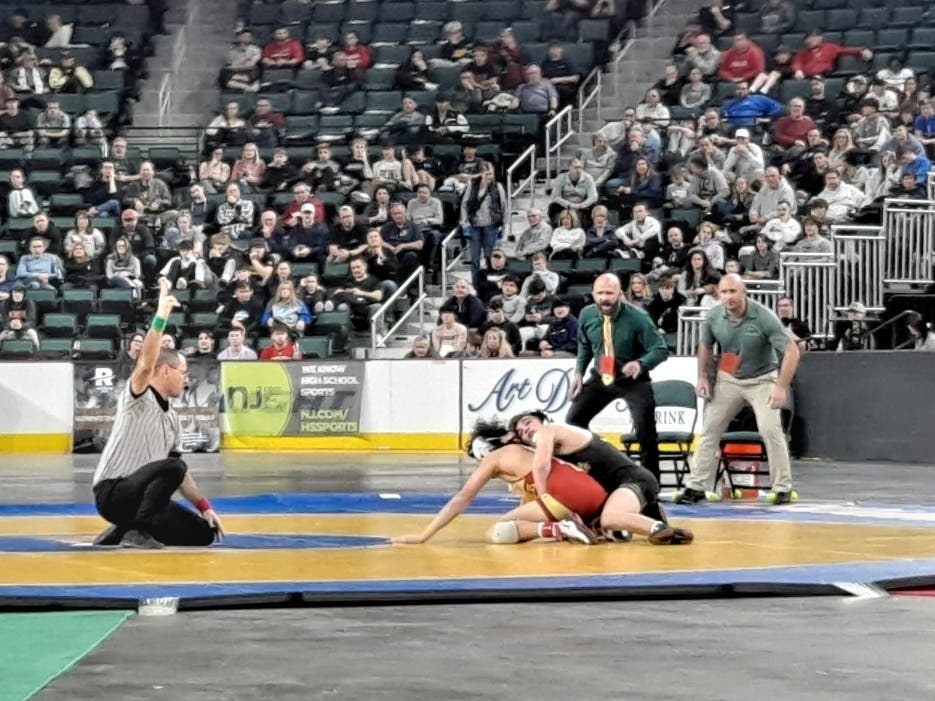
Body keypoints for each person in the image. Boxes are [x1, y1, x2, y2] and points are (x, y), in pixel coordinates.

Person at [91, 280, 223, 549]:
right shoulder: (137, 398)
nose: (186, 380)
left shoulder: (173, 419)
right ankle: (136, 530)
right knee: (174, 465)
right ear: (166, 371)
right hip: (113, 493)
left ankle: (125, 528)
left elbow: (179, 476)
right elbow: (145, 364)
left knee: (203, 534)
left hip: (143, 501)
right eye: (183, 373)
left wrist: (204, 506)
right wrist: (161, 315)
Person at [675, 274, 800, 505]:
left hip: (762, 379)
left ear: (744, 293)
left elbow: (792, 351)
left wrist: (781, 387)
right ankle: (696, 486)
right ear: (718, 294)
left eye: (733, 292)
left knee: (770, 429)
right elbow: (704, 346)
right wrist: (702, 376)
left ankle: (783, 487)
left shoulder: (764, 317)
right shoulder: (714, 316)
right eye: (724, 292)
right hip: (728, 379)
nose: (729, 297)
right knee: (710, 428)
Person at [391, 420, 610, 545]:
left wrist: (424, 535)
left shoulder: (494, 458)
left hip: (564, 499)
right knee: (525, 516)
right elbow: (530, 500)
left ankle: (558, 529)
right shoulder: (527, 450)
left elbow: (463, 498)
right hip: (595, 494)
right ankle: (599, 527)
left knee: (497, 531)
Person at [509, 411, 694, 545]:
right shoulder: (555, 447)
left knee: (610, 519)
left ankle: (657, 527)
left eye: (528, 422)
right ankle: (647, 512)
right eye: (521, 432)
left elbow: (540, 467)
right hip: (619, 487)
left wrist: (543, 498)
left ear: (541, 420)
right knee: (601, 529)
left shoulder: (549, 430)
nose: (526, 430)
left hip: (633, 481)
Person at [567, 273, 668, 480]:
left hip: (633, 379)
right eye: (600, 293)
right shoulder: (586, 314)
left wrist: (641, 363)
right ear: (593, 294)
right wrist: (579, 372)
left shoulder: (638, 317)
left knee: (645, 432)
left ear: (620, 294)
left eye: (610, 293)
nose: (605, 298)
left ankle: (651, 482)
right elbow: (584, 346)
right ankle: (593, 468)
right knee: (573, 421)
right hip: (601, 376)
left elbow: (660, 349)